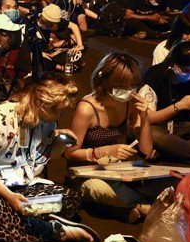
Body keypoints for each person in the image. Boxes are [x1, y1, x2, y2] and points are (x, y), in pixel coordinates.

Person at [0, 75, 96, 242]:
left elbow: (45, 158)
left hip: (20, 184)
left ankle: (7, 222)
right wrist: (10, 197)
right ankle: (55, 231)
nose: (60, 115)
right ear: (41, 103)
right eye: (57, 110)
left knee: (70, 199)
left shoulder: (47, 122)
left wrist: (60, 142)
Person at [64, 53, 161, 222]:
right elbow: (70, 153)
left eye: (132, 86)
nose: (130, 91)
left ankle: (124, 209)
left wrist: (144, 117)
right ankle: (144, 207)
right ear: (107, 82)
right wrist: (105, 151)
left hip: (113, 169)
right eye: (124, 86)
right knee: (99, 188)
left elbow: (146, 150)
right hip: (83, 173)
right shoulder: (87, 108)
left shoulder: (129, 103)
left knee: (155, 180)